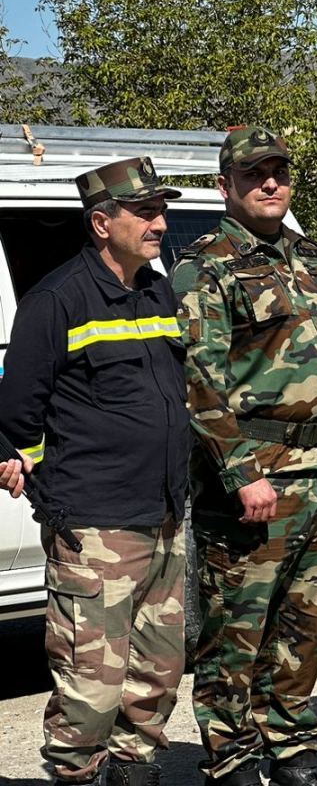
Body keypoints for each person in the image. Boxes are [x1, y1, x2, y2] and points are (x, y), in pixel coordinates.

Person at [173, 126, 317, 786]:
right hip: (254, 476)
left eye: (279, 172)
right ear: (225, 186)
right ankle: (231, 759)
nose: (269, 183)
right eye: (253, 174)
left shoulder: (315, 259)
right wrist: (240, 473)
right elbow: (200, 379)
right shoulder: (203, 266)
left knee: (303, 627)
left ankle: (292, 751)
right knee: (237, 631)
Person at [0, 158, 189, 786]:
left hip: (162, 516)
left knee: (157, 676)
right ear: (102, 223)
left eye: (162, 210)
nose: (161, 222)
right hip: (96, 526)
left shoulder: (155, 289)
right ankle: (77, 775)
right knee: (90, 688)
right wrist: (55, 504)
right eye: (147, 212)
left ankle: (136, 773)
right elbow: (15, 422)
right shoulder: (57, 299)